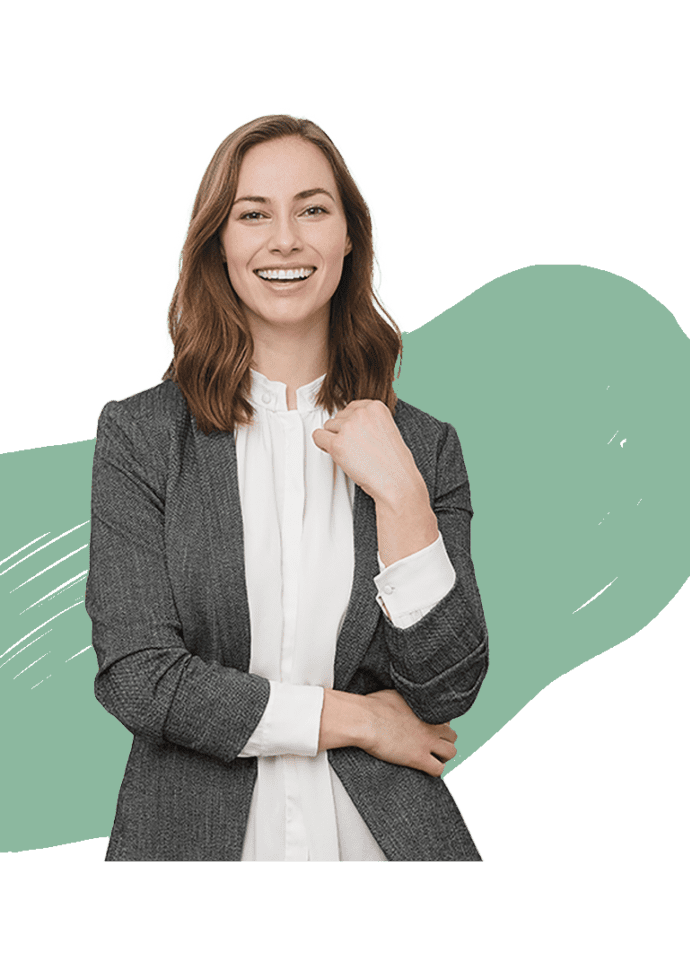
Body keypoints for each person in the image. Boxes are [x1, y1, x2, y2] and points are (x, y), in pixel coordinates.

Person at [86, 113, 489, 861]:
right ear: (220, 246)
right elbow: (139, 676)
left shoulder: (425, 447)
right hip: (187, 838)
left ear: (347, 239)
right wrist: (361, 720)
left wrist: (402, 494)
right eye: (253, 214)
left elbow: (447, 688)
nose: (285, 239)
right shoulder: (140, 438)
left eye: (312, 208)